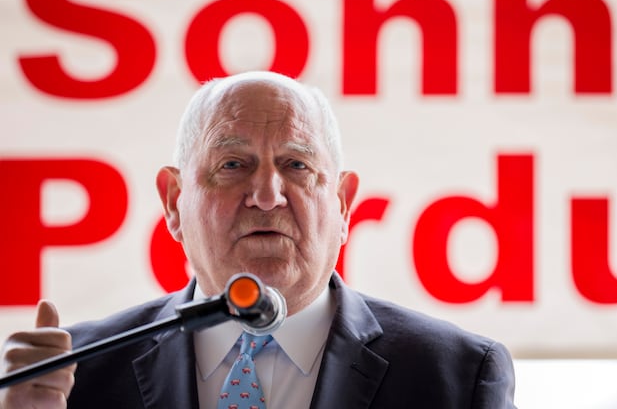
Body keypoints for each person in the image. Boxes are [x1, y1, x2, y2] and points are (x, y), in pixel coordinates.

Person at [0, 71, 516, 408]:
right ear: (173, 201)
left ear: (342, 205)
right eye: (232, 165)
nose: (267, 195)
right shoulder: (71, 375)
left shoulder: (456, 378)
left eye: (296, 165)